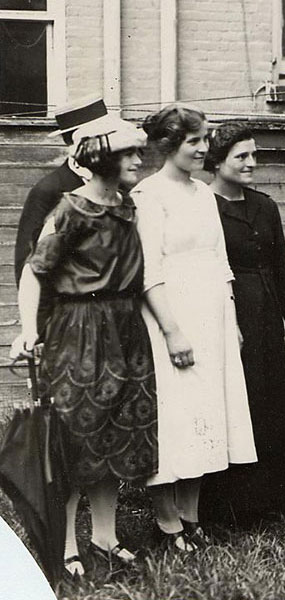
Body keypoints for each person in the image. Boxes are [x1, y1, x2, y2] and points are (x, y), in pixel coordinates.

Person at [13, 115, 155, 576]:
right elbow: (35, 273)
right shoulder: (70, 209)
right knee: (74, 440)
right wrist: (30, 330)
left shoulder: (126, 205)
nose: (140, 160)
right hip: (79, 329)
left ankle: (106, 538)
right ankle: (68, 545)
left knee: (116, 437)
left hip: (125, 329)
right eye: (131, 153)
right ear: (103, 156)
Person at [132, 104, 257, 552]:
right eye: (194, 142)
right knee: (176, 417)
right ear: (169, 145)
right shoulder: (148, 196)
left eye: (207, 140)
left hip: (212, 315)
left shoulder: (204, 194)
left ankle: (192, 517)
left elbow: (221, 262)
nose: (205, 149)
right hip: (173, 314)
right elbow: (148, 271)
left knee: (207, 415)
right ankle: (166, 524)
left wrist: (232, 319)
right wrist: (172, 332)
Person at [196, 123, 285, 526]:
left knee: (273, 402)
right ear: (217, 160)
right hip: (228, 312)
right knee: (239, 403)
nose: (252, 163)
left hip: (267, 313)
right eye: (241, 156)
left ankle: (283, 501)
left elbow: (282, 264)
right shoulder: (203, 206)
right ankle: (236, 508)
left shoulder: (265, 205)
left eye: (254, 154)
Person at [14, 95, 108, 335]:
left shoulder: (116, 186)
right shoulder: (50, 189)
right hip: (65, 321)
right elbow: (29, 262)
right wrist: (39, 330)